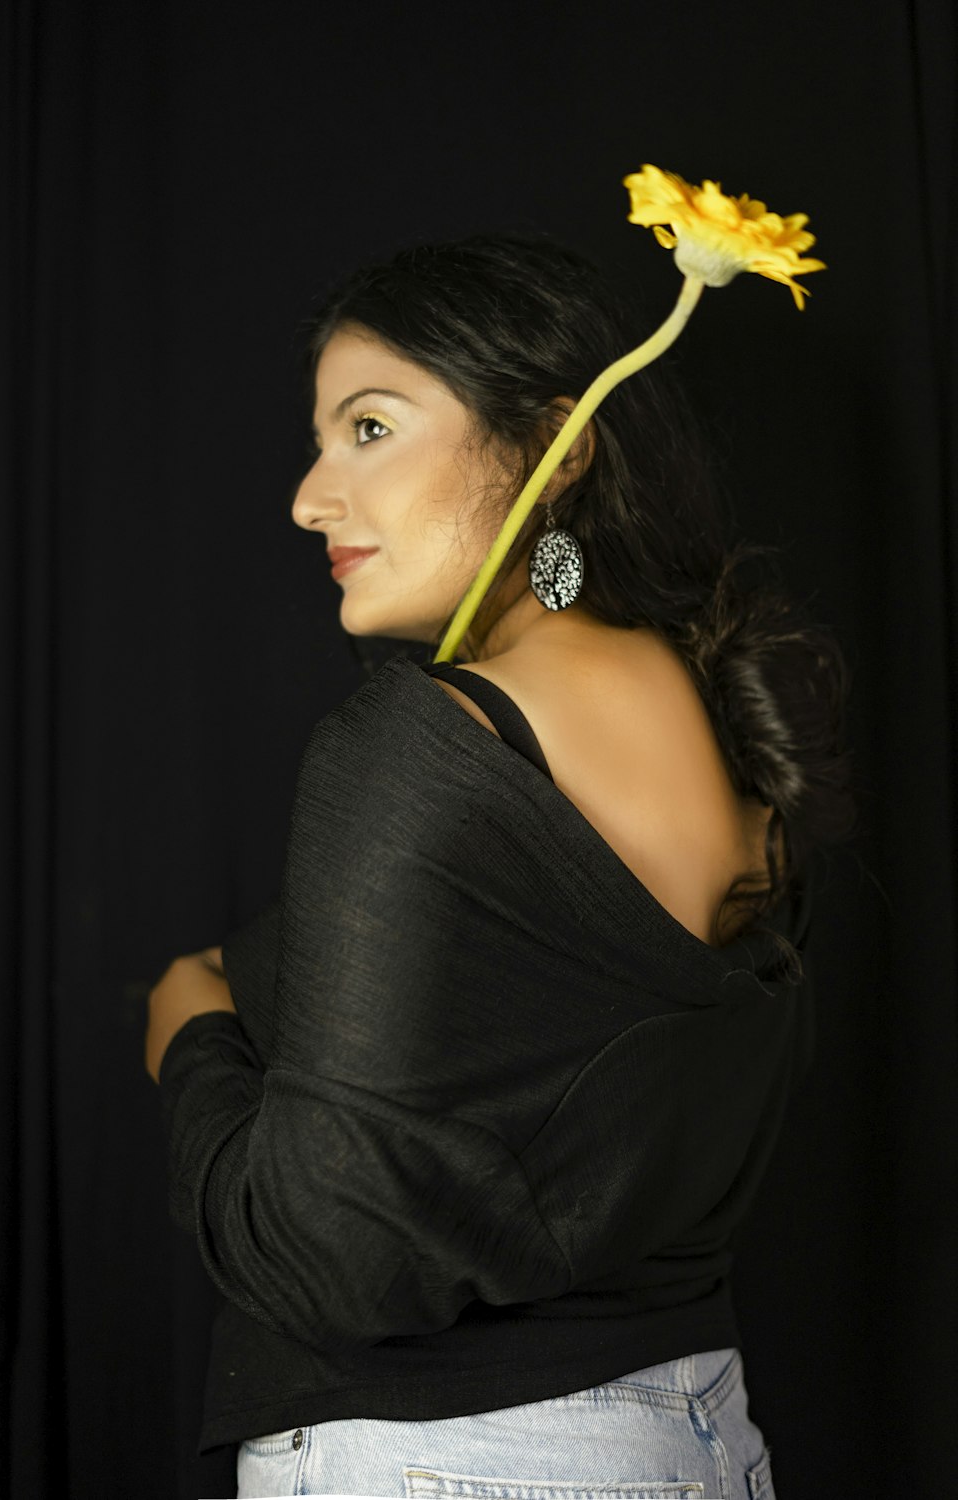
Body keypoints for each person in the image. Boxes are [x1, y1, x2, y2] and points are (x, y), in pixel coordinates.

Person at [146, 232, 856, 1499]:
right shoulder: (734, 732)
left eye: (369, 429)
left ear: (553, 445)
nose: (311, 496)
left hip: (447, 1459)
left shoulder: (419, 742)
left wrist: (188, 1031)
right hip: (694, 1438)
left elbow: (321, 1262)